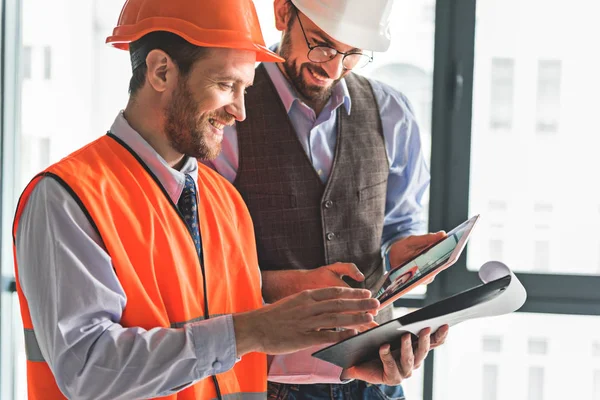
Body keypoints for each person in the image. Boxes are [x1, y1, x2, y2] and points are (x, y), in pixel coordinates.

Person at [11, 1, 427, 399]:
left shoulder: (224, 204)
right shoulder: (67, 199)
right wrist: (254, 331)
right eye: (227, 85)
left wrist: (348, 368)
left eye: (246, 88)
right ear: (160, 71)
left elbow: (228, 329)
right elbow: (86, 369)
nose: (241, 113)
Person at [207, 0, 450, 398]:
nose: (334, 68)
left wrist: (401, 252)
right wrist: (291, 285)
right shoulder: (224, 117)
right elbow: (204, 269)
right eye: (321, 44)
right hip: (269, 384)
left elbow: (397, 226)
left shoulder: (393, 113)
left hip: (375, 377)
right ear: (283, 13)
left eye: (353, 53)